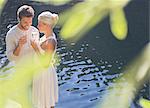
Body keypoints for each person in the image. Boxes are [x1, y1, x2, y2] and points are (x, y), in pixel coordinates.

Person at [5, 5, 39, 108]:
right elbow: (11, 57)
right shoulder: (11, 34)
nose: (28, 25)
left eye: (30, 22)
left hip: (35, 71)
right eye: (25, 22)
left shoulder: (34, 31)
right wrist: (19, 46)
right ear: (19, 19)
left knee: (37, 100)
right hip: (21, 71)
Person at [31, 11, 59, 108]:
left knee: (47, 102)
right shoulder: (45, 36)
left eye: (39, 23)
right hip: (40, 72)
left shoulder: (51, 41)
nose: (37, 26)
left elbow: (46, 63)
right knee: (42, 102)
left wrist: (36, 47)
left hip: (45, 74)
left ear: (47, 25)